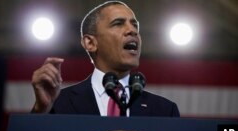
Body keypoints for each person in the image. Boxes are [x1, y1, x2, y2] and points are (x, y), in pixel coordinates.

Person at [31, 1, 180, 117]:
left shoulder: (165, 111)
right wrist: (40, 111)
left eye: (135, 25)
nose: (132, 30)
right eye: (118, 24)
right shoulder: (59, 105)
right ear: (90, 43)